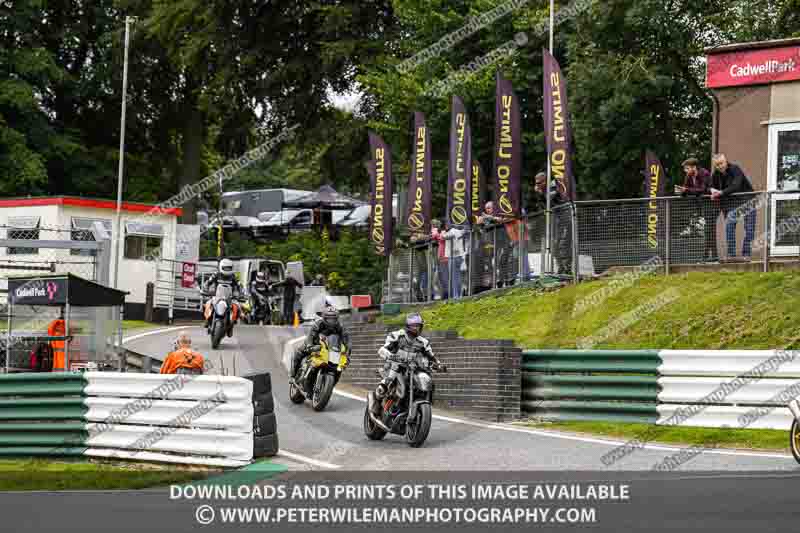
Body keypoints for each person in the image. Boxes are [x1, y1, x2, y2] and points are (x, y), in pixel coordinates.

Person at [369, 313, 442, 416]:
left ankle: (422, 404)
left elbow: (432, 357)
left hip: (412, 369)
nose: (416, 329)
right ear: (408, 326)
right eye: (414, 326)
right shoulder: (397, 336)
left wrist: (438, 365)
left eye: (418, 326)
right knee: (387, 382)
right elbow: (382, 349)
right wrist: (391, 356)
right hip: (394, 366)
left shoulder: (423, 342)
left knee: (427, 380)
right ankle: (376, 403)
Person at [710, 153, 756, 262]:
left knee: (749, 228)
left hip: (747, 200)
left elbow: (736, 185)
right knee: (729, 226)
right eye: (717, 165)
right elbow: (712, 187)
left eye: (721, 163)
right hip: (733, 204)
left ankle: (746, 254)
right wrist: (712, 190)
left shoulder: (735, 169)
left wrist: (721, 192)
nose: (720, 166)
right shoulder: (716, 175)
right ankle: (731, 255)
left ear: (725, 161)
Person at [290, 306, 350, 384]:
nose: (331, 321)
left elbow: (347, 341)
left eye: (333, 319)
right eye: (328, 319)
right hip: (315, 344)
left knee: (339, 368)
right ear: (324, 318)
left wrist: (347, 352)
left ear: (337, 318)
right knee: (298, 352)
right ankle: (292, 376)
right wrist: (309, 346)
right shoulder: (318, 324)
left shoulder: (340, 327)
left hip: (330, 349)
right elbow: (310, 336)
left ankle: (331, 384)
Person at [676, 158, 717, 262]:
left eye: (687, 168)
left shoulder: (704, 173)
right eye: (685, 169)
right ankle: (712, 257)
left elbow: (702, 190)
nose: (685, 171)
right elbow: (686, 189)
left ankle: (709, 257)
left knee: (709, 230)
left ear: (694, 167)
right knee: (709, 230)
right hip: (701, 205)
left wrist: (687, 190)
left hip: (711, 204)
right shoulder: (689, 176)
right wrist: (681, 191)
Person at [534, 172, 571, 275]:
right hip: (556, 219)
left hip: (565, 217)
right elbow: (543, 205)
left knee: (564, 243)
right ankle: (560, 267)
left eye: (539, 183)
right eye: (536, 183)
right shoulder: (543, 190)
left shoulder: (554, 185)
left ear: (545, 181)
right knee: (554, 244)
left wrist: (540, 193)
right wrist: (540, 194)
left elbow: (549, 200)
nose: (537, 185)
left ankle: (567, 268)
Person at [203, 258, 242, 330]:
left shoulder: (233, 276)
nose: (227, 269)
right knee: (207, 303)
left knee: (238, 307)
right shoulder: (216, 274)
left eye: (229, 268)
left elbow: (240, 285)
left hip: (230, 297)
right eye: (225, 268)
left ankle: (233, 322)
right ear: (221, 267)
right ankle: (207, 320)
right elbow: (208, 282)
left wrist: (241, 293)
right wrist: (205, 288)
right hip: (217, 296)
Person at [444, 223, 466, 299]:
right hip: (460, 255)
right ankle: (459, 295)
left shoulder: (451, 232)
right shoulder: (459, 231)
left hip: (453, 257)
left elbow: (443, 237)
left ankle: (456, 296)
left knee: (454, 278)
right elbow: (464, 231)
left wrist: (443, 233)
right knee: (458, 276)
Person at [47, 307, 73, 372]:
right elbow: (70, 335)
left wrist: (58, 320)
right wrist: (59, 320)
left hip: (60, 363)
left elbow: (50, 329)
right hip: (62, 363)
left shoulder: (55, 332)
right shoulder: (65, 328)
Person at [431, 220, 448, 300]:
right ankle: (441, 294)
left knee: (443, 278)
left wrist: (436, 233)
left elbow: (439, 237)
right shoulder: (438, 233)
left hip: (444, 258)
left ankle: (445, 294)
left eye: (434, 225)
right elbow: (433, 236)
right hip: (439, 258)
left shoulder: (444, 233)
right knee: (438, 279)